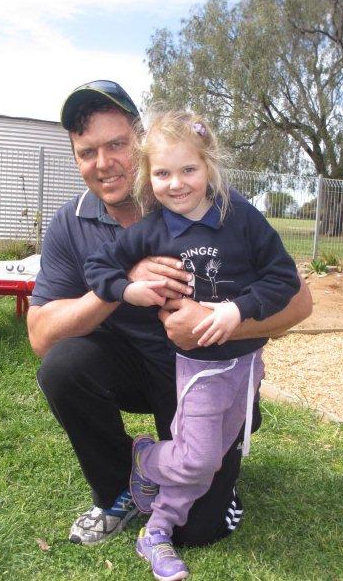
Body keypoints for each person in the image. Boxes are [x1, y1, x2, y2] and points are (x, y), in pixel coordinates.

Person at [27, 80, 312, 552]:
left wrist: (217, 320)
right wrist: (124, 284)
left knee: (199, 531)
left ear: (140, 143)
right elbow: (41, 337)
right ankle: (120, 489)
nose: (103, 163)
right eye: (87, 152)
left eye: (116, 144)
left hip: (202, 369)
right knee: (63, 365)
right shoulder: (70, 222)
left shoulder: (209, 203)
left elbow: (299, 302)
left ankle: (210, 461)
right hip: (126, 365)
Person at [83, 110, 300, 580]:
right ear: (148, 177)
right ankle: (145, 457)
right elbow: (99, 266)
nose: (176, 184)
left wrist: (237, 311)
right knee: (196, 457)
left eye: (188, 170)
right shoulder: (152, 230)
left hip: (246, 367)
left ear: (210, 167)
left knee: (206, 464)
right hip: (198, 369)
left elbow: (283, 278)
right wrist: (127, 289)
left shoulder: (239, 216)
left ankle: (155, 530)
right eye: (162, 173)